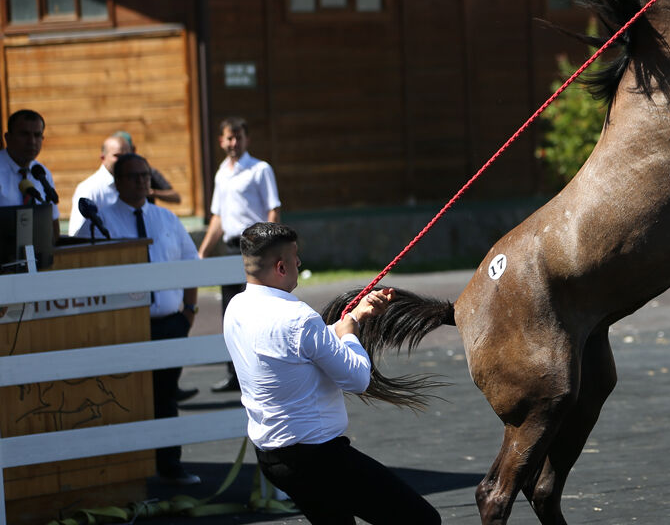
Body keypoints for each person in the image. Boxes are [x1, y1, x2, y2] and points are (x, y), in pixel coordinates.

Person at [223, 222, 441, 525]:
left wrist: (352, 317)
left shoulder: (237, 307)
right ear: (281, 267)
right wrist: (350, 334)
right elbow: (357, 379)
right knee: (421, 520)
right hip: (317, 460)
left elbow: (296, 349)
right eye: (295, 257)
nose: (300, 263)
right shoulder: (296, 317)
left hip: (274, 459)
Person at [70, 153, 202, 485]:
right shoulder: (100, 222)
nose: (142, 181)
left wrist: (188, 312)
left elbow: (191, 266)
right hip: (123, 327)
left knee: (165, 396)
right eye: (134, 176)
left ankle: (170, 466)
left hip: (170, 323)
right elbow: (84, 273)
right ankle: (126, 471)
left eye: (146, 175)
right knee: (122, 397)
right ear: (118, 182)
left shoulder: (167, 218)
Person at [198, 117, 281, 392]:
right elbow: (218, 218)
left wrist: (271, 244)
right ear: (221, 141)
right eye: (228, 138)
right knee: (231, 311)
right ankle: (235, 375)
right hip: (231, 248)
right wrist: (202, 253)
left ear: (247, 140)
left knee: (258, 308)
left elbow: (273, 209)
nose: (233, 143)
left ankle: (264, 369)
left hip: (256, 246)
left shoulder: (259, 169)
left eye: (238, 137)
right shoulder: (222, 173)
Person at [1, 109, 60, 227]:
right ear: (8, 138)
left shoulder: (42, 173)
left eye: (37, 135)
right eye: (24, 134)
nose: (32, 141)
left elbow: (53, 225)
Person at [68, 134, 131, 234]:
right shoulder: (90, 188)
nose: (122, 161)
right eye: (117, 156)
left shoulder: (131, 186)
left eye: (127, 156)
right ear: (103, 157)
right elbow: (77, 233)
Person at [114, 130, 181, 205]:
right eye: (131, 176)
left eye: (143, 176)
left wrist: (152, 192)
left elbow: (176, 197)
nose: (140, 180)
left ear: (133, 150)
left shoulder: (147, 171)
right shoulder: (107, 177)